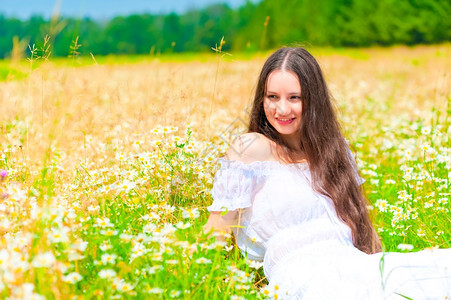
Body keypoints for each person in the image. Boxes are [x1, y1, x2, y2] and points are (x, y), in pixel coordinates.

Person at [203, 47, 451, 299]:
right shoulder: (250, 149)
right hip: (302, 278)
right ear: (262, 99)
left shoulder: (334, 150)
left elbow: (363, 228)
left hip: (356, 265)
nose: (282, 109)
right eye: (272, 97)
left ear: (313, 99)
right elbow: (216, 233)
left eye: (294, 98)